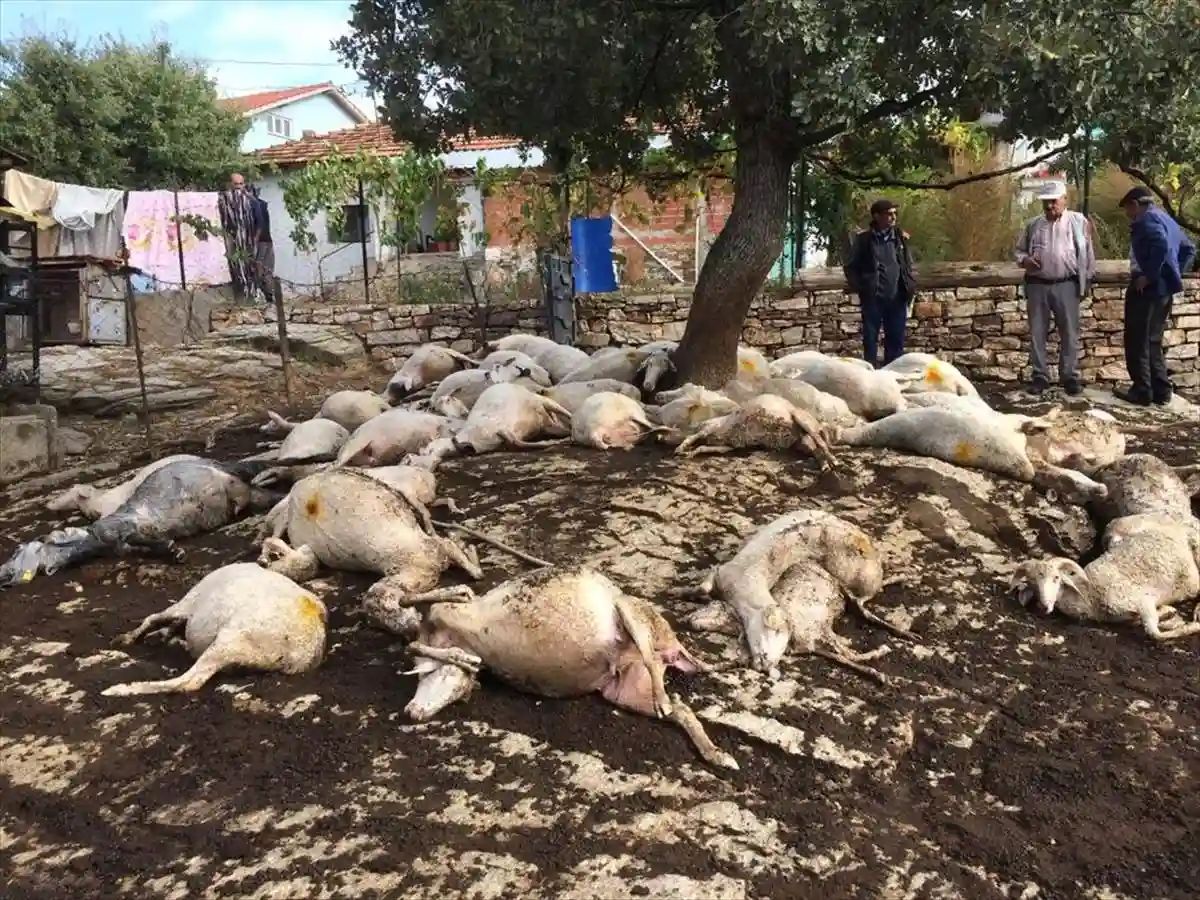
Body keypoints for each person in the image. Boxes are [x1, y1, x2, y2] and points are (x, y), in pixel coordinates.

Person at [1116, 186, 1197, 406]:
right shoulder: (1166, 219)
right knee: (1153, 340)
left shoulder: (1146, 221)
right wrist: (1172, 274)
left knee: (1137, 339)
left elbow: (1160, 245)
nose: (1127, 215)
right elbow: (1189, 249)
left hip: (1147, 288)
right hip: (1164, 289)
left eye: (1127, 209)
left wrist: (1150, 276)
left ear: (1135, 205)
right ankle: (1161, 391)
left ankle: (1142, 390)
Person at [1014, 180, 1096, 396]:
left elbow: (1088, 254)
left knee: (1069, 333)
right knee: (1037, 333)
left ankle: (1069, 376)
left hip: (1067, 284)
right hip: (1038, 285)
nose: (1050, 206)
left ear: (1064, 199)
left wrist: (1086, 280)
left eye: (1054, 201)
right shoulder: (1033, 225)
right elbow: (1018, 253)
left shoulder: (1078, 222)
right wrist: (1026, 261)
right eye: (1046, 202)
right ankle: (1040, 376)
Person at [843, 198, 916, 367]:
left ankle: (894, 377)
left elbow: (907, 264)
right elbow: (850, 267)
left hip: (898, 297)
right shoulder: (864, 240)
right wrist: (861, 286)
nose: (893, 217)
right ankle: (871, 378)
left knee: (896, 341)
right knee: (870, 341)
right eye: (888, 214)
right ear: (876, 216)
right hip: (873, 298)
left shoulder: (900, 238)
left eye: (894, 214)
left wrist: (909, 284)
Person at [217, 172, 257, 304]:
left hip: (249, 242)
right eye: (236, 184)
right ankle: (240, 297)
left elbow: (258, 222)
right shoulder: (223, 200)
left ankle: (250, 297)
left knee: (250, 268)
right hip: (230, 241)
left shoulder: (251, 201)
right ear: (230, 184)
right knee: (235, 268)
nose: (239, 187)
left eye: (241, 184)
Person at [248, 184, 276, 302]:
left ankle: (260, 296)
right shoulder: (262, 204)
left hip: (259, 242)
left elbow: (259, 225)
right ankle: (270, 297)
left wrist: (254, 242)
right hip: (268, 241)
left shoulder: (251, 205)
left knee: (258, 270)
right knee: (268, 270)